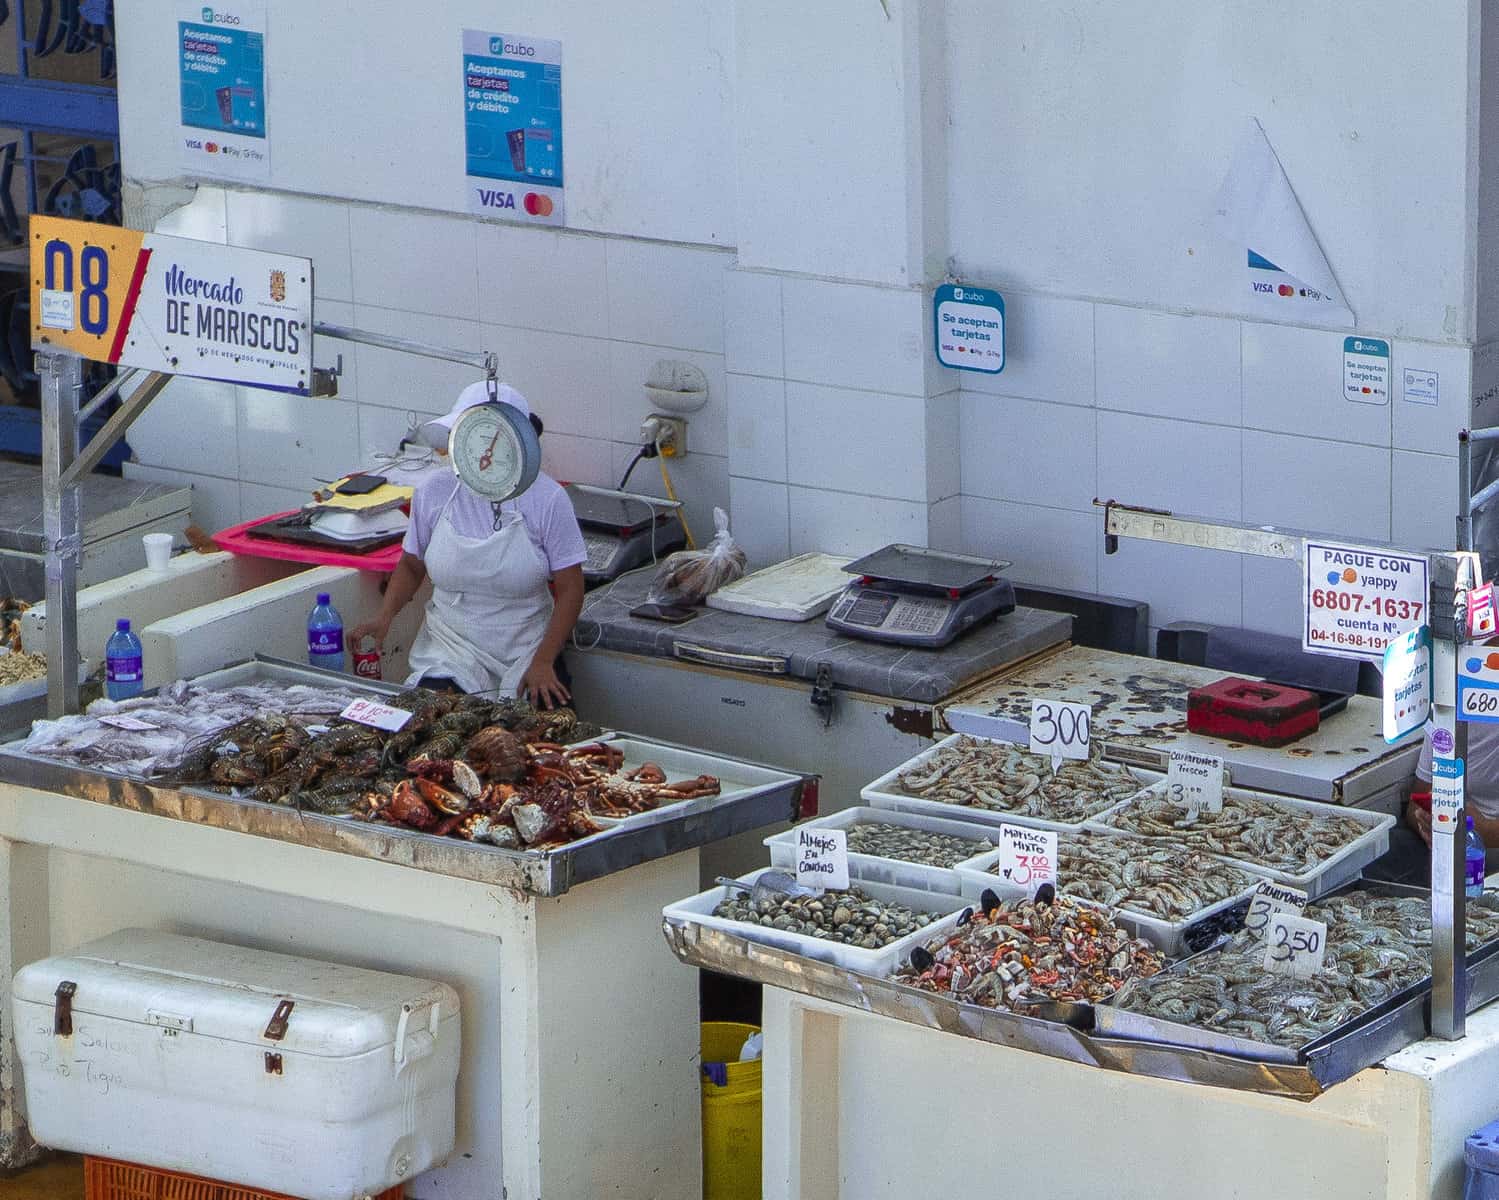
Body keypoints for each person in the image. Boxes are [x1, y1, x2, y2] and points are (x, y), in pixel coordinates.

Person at [351, 381, 586, 708]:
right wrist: (385, 616)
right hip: (450, 649)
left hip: (527, 647)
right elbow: (411, 564)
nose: (483, 456)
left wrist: (544, 661)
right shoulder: (434, 490)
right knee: (428, 724)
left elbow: (571, 588)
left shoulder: (547, 499)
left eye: (491, 444)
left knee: (543, 738)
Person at [1366, 722, 1499, 886]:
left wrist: (1483, 830)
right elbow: (1418, 799)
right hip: (1442, 839)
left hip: (1489, 846)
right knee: (1371, 855)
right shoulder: (1446, 709)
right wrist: (1425, 821)